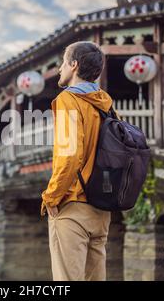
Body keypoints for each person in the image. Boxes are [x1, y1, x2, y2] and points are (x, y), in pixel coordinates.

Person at [41, 41, 113, 281]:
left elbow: (70, 155)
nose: (60, 68)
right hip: (102, 209)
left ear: (74, 65)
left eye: (63, 62)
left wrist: (51, 196)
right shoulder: (106, 104)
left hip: (73, 205)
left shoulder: (68, 101)